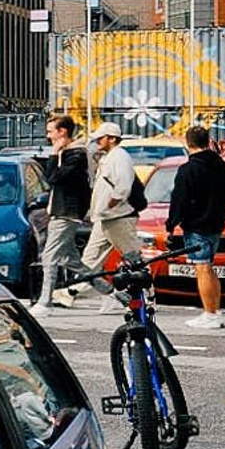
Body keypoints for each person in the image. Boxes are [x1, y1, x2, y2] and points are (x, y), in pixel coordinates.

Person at [166, 123, 225, 330]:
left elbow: (179, 200)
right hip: (217, 223)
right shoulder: (222, 166)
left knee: (202, 268)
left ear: (188, 143)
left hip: (196, 225)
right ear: (207, 142)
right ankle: (215, 309)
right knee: (209, 267)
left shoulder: (187, 169)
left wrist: (171, 225)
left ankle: (210, 314)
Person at [75, 122, 143, 311]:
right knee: (90, 258)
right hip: (106, 217)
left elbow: (123, 185)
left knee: (133, 259)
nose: (97, 141)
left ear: (112, 138)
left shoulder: (119, 157)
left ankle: (145, 297)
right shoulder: (109, 157)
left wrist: (112, 203)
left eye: (101, 137)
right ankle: (91, 292)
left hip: (118, 217)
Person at [33, 113, 91, 312]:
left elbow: (53, 178)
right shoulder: (67, 154)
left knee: (49, 257)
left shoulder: (76, 155)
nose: (48, 136)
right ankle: (114, 294)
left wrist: (54, 153)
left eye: (51, 132)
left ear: (62, 131)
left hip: (67, 213)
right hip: (60, 211)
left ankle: (45, 302)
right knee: (71, 261)